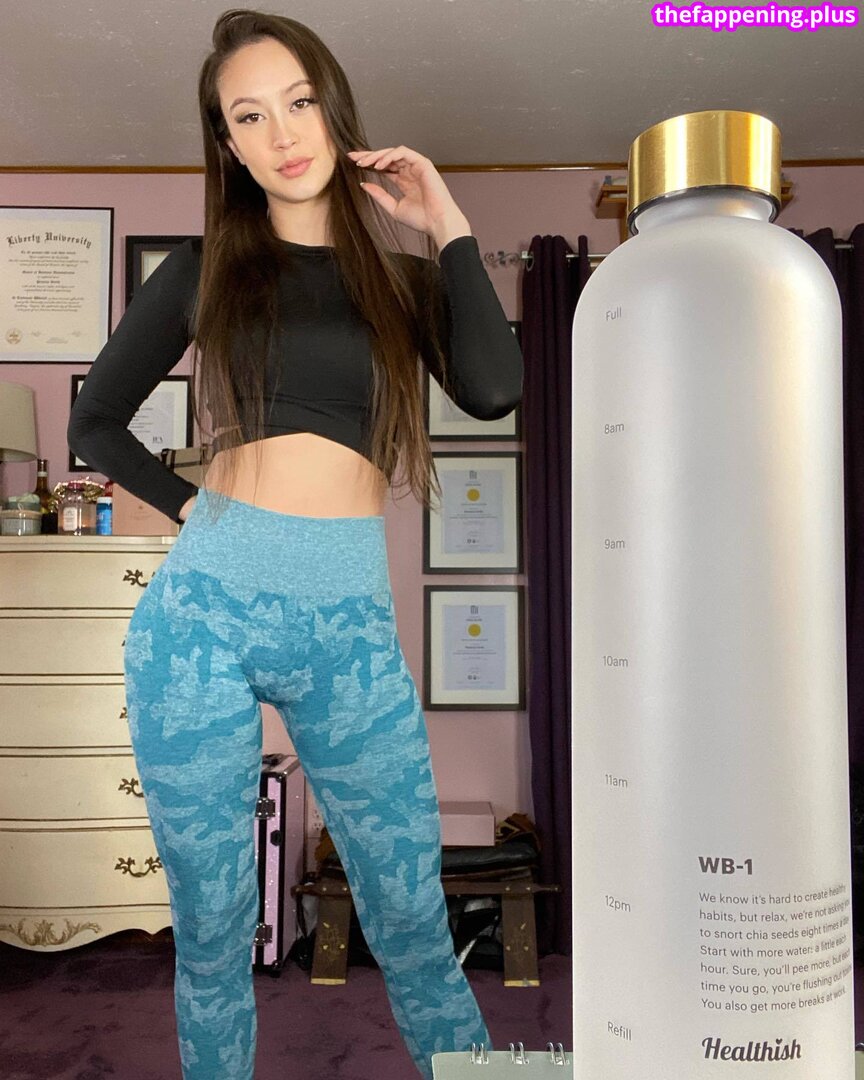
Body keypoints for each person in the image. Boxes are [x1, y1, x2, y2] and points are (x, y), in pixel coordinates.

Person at [67, 8, 523, 1080]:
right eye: (249, 116)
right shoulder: (205, 269)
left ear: (334, 109)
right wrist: (196, 513)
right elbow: (96, 421)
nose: (281, 134)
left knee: (409, 912)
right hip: (204, 617)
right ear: (227, 144)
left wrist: (447, 221)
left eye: (300, 101)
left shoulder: (404, 284)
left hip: (348, 625)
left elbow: (496, 387)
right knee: (215, 926)